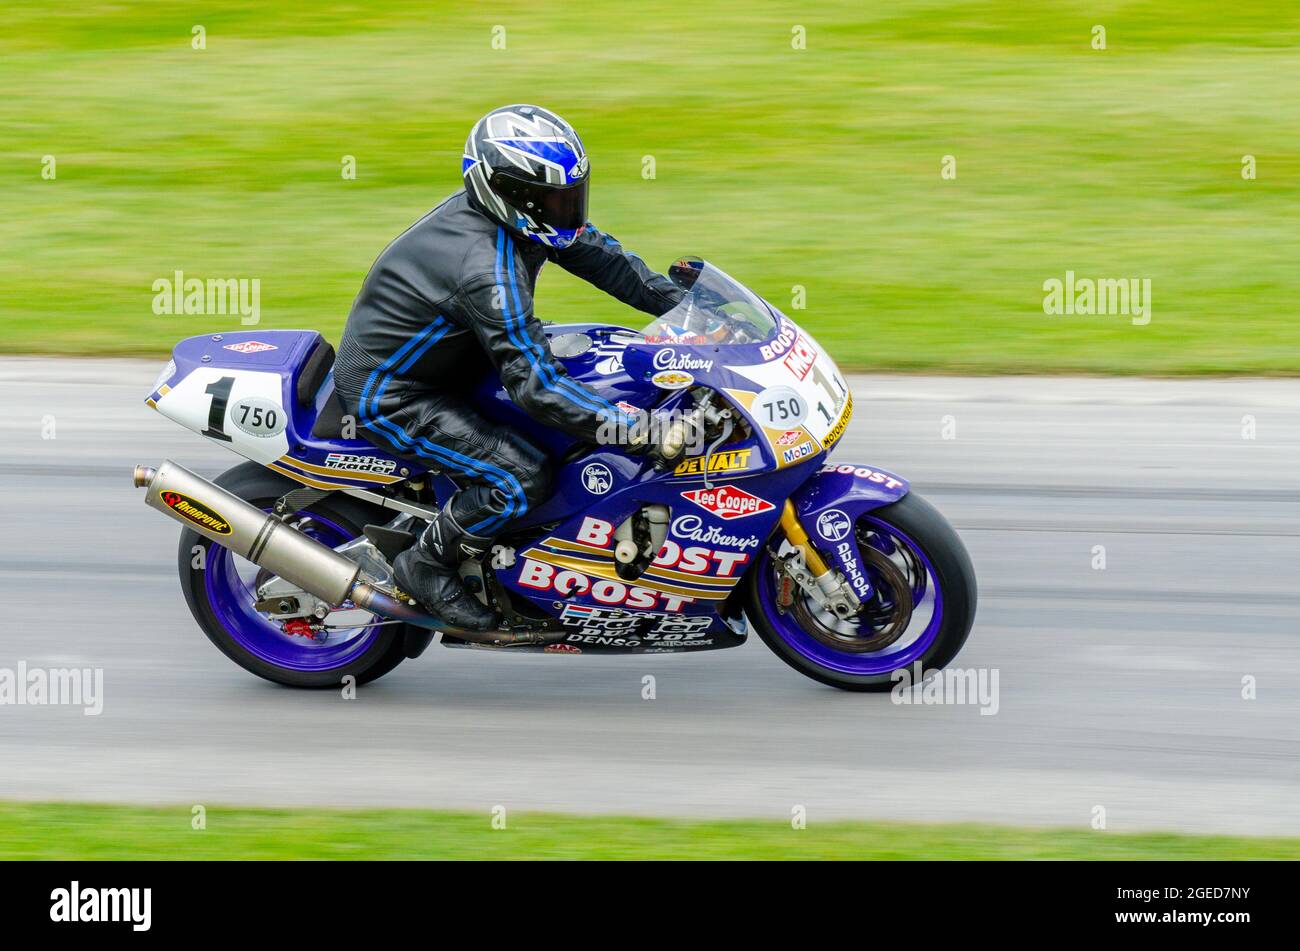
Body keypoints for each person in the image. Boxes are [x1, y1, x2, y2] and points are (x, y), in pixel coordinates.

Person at [332, 104, 683, 631]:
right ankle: (426, 563)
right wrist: (635, 429)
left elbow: (610, 262)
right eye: (554, 199)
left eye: (572, 194)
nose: (568, 209)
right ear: (511, 194)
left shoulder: (529, 224)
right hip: (396, 392)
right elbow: (535, 385)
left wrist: (690, 307)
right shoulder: (485, 270)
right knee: (522, 475)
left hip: (456, 363)